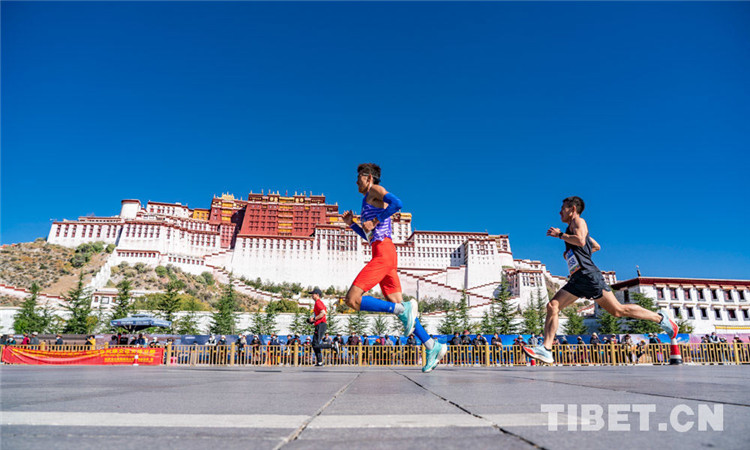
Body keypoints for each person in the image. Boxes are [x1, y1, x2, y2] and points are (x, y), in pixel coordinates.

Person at [524, 196, 679, 365]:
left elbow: (581, 240)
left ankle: (661, 319)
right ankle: (546, 349)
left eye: (563, 208)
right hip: (577, 278)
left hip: (589, 276)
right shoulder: (572, 229)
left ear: (573, 209)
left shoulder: (579, 222)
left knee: (618, 311)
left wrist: (560, 235)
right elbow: (595, 246)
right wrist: (576, 253)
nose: (560, 212)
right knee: (552, 306)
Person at [341, 163, 446, 372]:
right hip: (383, 253)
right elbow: (369, 236)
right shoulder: (367, 199)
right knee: (402, 311)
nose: (356, 181)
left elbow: (398, 203)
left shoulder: (375, 190)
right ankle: (431, 346)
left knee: (352, 299)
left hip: (384, 254)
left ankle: (403, 309)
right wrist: (352, 224)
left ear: (368, 177)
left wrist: (375, 220)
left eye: (359, 177)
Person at [309, 287, 335, 367]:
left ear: (317, 294)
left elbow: (323, 313)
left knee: (315, 344)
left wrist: (314, 319)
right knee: (315, 343)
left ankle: (332, 345)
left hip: (321, 324)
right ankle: (319, 362)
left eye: (313, 294)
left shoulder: (318, 302)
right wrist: (313, 321)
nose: (312, 296)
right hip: (319, 324)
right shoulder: (318, 303)